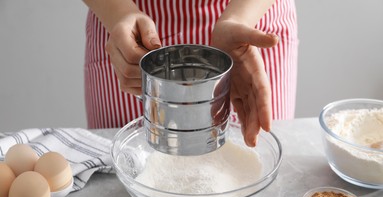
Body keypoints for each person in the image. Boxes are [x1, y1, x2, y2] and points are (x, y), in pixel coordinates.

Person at [82, 0, 298, 147]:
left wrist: (241, 17)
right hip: (129, 33)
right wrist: (120, 13)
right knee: (122, 180)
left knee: (252, 157)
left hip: (250, 20)